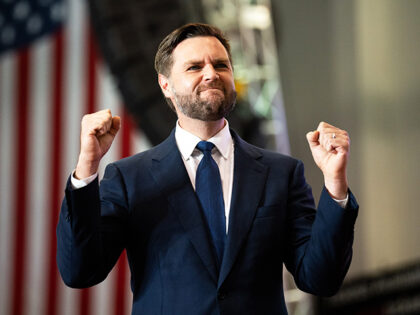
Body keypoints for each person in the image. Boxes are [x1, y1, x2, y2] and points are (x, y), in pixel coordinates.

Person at [57, 23, 358, 314]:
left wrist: (335, 184)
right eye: (194, 67)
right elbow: (80, 271)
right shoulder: (129, 178)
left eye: (221, 65)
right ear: (166, 85)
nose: (211, 74)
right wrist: (87, 167)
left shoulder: (281, 173)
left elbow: (320, 278)